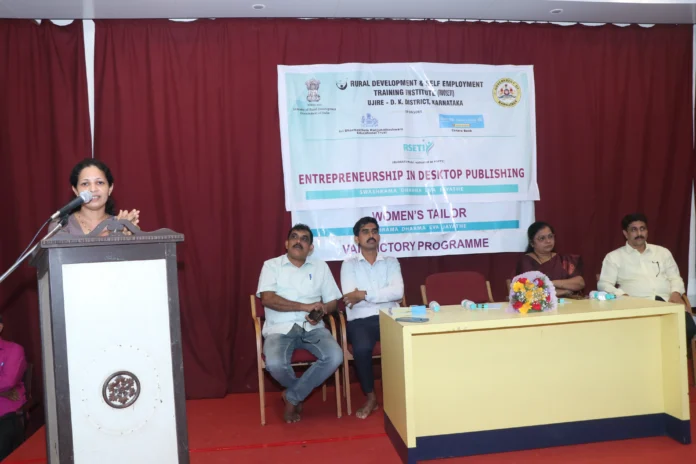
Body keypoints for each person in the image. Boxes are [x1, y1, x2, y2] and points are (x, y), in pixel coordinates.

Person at [256, 224, 343, 424]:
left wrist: (322, 310)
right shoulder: (271, 266)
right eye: (294, 237)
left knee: (335, 356)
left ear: (310, 248)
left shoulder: (320, 267)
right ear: (286, 243)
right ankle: (298, 394)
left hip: (313, 328)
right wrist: (305, 306)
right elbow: (268, 299)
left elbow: (333, 302)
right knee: (275, 364)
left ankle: (292, 397)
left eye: (304, 239)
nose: (298, 241)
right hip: (279, 327)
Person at [598, 213, 696, 343]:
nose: (639, 233)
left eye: (642, 229)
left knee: (688, 329)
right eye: (634, 229)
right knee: (647, 336)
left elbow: (675, 277)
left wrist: (676, 293)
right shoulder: (614, 257)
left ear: (647, 231)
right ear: (625, 234)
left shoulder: (662, 252)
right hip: (638, 305)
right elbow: (604, 284)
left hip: (668, 301)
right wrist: (623, 295)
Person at [341, 217, 403, 419]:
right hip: (360, 319)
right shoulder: (349, 264)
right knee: (361, 349)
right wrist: (381, 295)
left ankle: (402, 393)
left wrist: (364, 294)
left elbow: (398, 292)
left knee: (406, 343)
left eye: (374, 231)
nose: (371, 235)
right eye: (365, 231)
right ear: (356, 239)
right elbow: (350, 297)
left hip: (390, 316)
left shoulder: (391, 262)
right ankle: (371, 397)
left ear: (379, 236)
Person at [51, 159, 140, 236]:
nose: (93, 189)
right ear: (76, 191)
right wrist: (112, 233)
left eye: (100, 182)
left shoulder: (122, 225)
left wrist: (132, 235)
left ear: (110, 188)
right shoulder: (61, 225)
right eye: (85, 184)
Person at [515, 221, 585, 297]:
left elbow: (580, 283)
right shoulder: (526, 261)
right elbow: (527, 291)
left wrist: (550, 283)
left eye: (550, 236)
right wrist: (564, 291)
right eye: (542, 238)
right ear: (532, 243)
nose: (548, 241)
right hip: (541, 304)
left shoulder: (563, 259)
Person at [0, 315, 27, 461]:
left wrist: (4, 392)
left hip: (6, 414)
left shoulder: (14, 350)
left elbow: (8, 382)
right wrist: (2, 393)